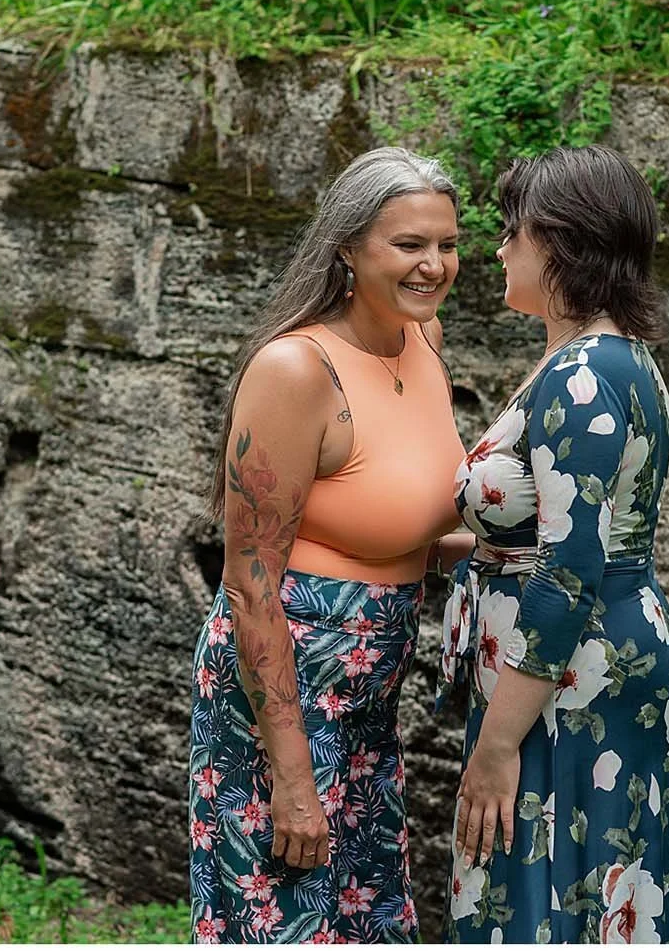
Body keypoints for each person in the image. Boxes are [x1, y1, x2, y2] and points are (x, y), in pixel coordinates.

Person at [189, 147, 469, 943]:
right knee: (287, 918)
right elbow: (250, 582)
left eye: (447, 244)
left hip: (369, 699)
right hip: (283, 697)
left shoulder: (423, 339)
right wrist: (290, 774)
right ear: (347, 248)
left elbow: (399, 530)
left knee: (367, 918)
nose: (434, 265)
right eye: (409, 244)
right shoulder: (296, 369)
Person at [438, 144, 669, 942]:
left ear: (561, 240)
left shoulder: (583, 374)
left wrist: (497, 745)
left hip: (572, 679)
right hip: (589, 661)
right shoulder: (612, 359)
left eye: (512, 231)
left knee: (556, 894)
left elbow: (567, 572)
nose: (499, 249)